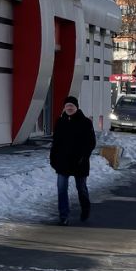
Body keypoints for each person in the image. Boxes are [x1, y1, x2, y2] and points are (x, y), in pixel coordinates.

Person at [49, 96, 95, 225]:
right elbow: (55, 142)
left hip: (80, 162)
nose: (69, 108)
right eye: (67, 106)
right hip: (63, 162)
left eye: (72, 106)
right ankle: (63, 216)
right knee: (61, 189)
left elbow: (91, 143)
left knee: (81, 188)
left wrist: (83, 157)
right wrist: (53, 158)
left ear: (77, 107)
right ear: (64, 108)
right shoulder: (60, 121)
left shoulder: (85, 122)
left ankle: (85, 208)